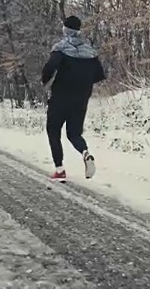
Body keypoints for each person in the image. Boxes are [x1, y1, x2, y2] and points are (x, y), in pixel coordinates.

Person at [41, 15, 106, 182]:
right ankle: (85, 153)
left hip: (61, 96)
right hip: (81, 98)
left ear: (65, 29)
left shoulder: (61, 48)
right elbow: (99, 74)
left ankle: (60, 170)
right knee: (74, 133)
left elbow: (49, 68)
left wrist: (46, 82)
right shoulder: (90, 50)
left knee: (53, 130)